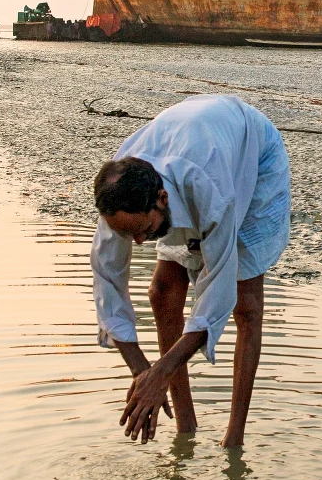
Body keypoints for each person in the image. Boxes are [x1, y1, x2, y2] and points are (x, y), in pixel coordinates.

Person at [91, 94, 291, 447]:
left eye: (144, 230)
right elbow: (107, 285)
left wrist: (162, 371)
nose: (139, 242)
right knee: (162, 293)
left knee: (245, 303)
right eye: (128, 234)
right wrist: (142, 374)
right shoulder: (119, 194)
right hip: (191, 146)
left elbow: (218, 296)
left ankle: (234, 439)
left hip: (252, 155)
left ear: (162, 199)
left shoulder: (211, 191)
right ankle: (186, 428)